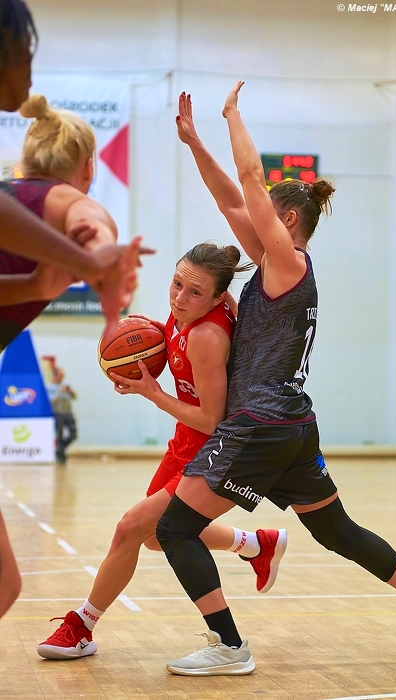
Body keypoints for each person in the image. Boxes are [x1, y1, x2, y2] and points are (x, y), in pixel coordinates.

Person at [149, 86, 396, 676]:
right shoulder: (276, 265)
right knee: (335, 529)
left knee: (175, 528)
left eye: (267, 208)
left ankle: (229, 647)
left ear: (287, 218)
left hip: (258, 426)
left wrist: (232, 116)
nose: (256, 210)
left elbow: (248, 176)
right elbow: (230, 196)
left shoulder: (289, 264)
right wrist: (193, 143)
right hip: (292, 425)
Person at [37, 242, 287, 659]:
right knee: (155, 537)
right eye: (176, 284)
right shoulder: (184, 312)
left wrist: (153, 393)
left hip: (214, 446)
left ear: (217, 298)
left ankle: (82, 625)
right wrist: (140, 340)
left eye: (194, 293)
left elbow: (211, 419)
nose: (179, 298)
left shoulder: (207, 336)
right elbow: (172, 334)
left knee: (130, 528)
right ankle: (255, 544)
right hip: (186, 439)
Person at [0, 0, 147, 337]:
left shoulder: (11, 194)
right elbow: (92, 228)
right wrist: (99, 263)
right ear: (88, 168)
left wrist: (33, 287)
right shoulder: (67, 200)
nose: (31, 68)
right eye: (27, 50)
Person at [46, 366, 78, 465]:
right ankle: (61, 455)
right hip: (58, 413)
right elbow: (50, 401)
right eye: (60, 375)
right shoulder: (49, 387)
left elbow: (74, 398)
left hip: (68, 412)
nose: (62, 378)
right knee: (59, 435)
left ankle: (61, 449)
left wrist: (72, 392)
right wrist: (60, 392)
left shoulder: (66, 384)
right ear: (55, 376)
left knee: (73, 434)